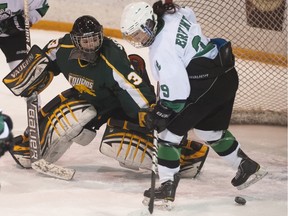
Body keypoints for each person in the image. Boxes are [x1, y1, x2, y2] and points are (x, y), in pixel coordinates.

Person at [8, 15, 208, 177]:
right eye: (86, 41)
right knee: (69, 114)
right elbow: (47, 55)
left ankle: (181, 155)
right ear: (76, 40)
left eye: (95, 39)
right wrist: (29, 74)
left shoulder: (111, 57)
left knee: (121, 143)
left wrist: (148, 112)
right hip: (90, 97)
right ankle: (31, 144)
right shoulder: (63, 47)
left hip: (119, 103)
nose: (91, 45)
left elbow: (131, 86)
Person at [120, 0, 268, 207]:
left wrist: (162, 114)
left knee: (168, 133)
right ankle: (245, 165)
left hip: (206, 84)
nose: (137, 38)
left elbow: (178, 95)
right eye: (133, 35)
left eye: (138, 33)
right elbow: (189, 14)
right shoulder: (171, 15)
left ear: (149, 23)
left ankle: (166, 186)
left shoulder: (162, 50)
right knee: (209, 130)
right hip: (225, 75)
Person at [0, 0, 49, 70]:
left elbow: (42, 7)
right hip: (12, 30)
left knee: (23, 71)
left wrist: (24, 20)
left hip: (14, 33)